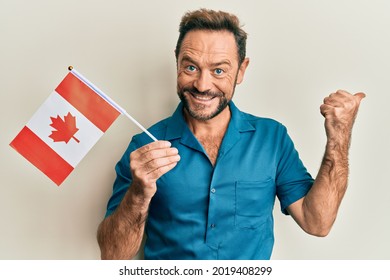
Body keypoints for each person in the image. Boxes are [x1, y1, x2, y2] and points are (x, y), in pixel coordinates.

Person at [97, 8, 365, 260]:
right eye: (190, 67)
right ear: (177, 62)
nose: (202, 85)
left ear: (241, 70)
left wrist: (338, 138)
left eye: (218, 70)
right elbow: (113, 255)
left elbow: (317, 222)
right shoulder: (145, 146)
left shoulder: (272, 138)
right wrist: (139, 193)